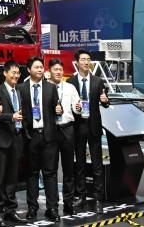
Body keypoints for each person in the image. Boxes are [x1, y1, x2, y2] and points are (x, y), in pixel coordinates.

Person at [17, 56, 61, 220]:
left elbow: (57, 108)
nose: (40, 69)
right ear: (29, 70)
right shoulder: (21, 88)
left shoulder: (51, 87)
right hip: (31, 137)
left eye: (41, 67)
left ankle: (52, 208)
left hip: (49, 136)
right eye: (36, 67)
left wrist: (60, 110)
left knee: (50, 173)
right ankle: (32, 207)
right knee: (32, 173)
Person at [67, 50, 109, 205]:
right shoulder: (70, 82)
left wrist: (105, 100)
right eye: (83, 59)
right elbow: (67, 105)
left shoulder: (98, 81)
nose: (86, 62)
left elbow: (105, 103)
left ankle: (98, 197)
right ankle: (81, 196)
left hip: (93, 126)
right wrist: (74, 108)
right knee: (80, 164)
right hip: (78, 127)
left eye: (88, 59)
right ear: (77, 62)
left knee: (97, 164)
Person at [0, 60, 27, 225]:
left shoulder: (19, 91)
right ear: (5, 73)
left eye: (18, 73)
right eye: (13, 72)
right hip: (2, 140)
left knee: (12, 178)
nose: (16, 76)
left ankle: (10, 210)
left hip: (17, 138)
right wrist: (10, 117)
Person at [49, 58, 82, 214]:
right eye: (55, 69)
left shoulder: (70, 87)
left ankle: (69, 203)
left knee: (69, 168)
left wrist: (78, 107)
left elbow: (76, 108)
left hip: (67, 129)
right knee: (51, 169)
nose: (58, 72)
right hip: (51, 130)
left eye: (60, 70)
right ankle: (53, 205)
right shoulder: (45, 88)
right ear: (49, 71)